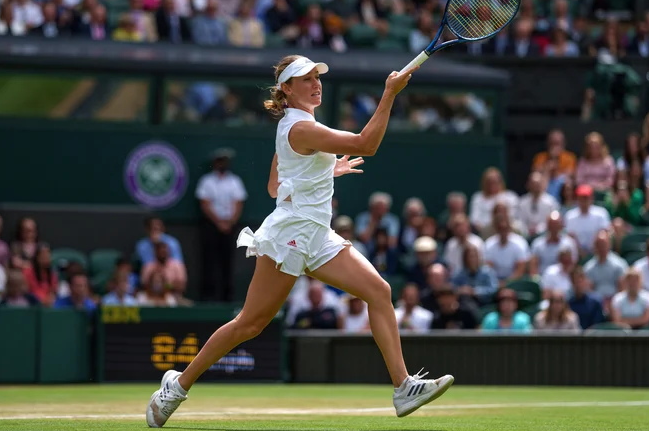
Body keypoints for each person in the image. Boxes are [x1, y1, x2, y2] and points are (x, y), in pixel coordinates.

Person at [146, 55, 453, 427]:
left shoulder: (302, 128)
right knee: (250, 324)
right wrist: (389, 94)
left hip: (317, 234)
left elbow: (276, 185)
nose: (315, 83)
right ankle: (175, 387)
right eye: (305, 79)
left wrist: (326, 168)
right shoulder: (300, 128)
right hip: (291, 234)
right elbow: (366, 143)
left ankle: (403, 386)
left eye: (317, 77)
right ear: (287, 90)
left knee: (379, 290)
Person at [195, 148, 247, 302]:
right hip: (211, 226)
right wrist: (218, 222)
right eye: (220, 160)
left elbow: (238, 203)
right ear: (215, 162)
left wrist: (230, 222)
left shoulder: (235, 181)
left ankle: (227, 297)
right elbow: (205, 203)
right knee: (209, 261)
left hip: (230, 226)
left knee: (228, 261)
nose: (222, 164)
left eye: (225, 161)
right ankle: (208, 297)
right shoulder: (206, 181)